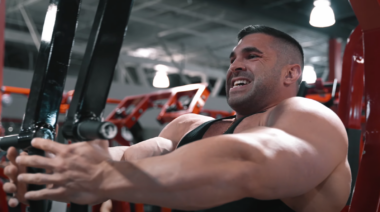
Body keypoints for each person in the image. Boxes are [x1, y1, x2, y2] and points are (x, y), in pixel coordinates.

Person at [2, 25, 351, 212]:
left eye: (253, 55)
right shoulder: (188, 125)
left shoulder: (306, 116)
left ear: (292, 74)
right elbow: (127, 157)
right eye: (232, 58)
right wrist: (51, 171)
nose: (235, 65)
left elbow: (249, 161)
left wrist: (105, 176)